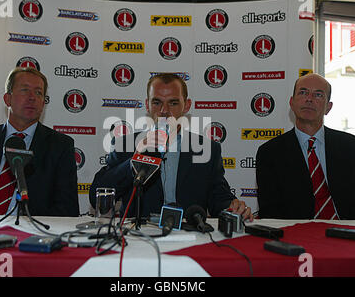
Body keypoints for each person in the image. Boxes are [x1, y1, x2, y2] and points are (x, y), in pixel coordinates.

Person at [90, 73, 253, 221]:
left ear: (186, 106)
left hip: (190, 235)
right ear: (147, 105)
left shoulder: (207, 149)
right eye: (157, 102)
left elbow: (220, 199)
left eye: (173, 103)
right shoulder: (125, 144)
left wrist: (233, 207)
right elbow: (96, 196)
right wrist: (136, 159)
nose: (164, 111)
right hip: (140, 235)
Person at [0, 67, 79, 217]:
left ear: (43, 103)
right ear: (7, 99)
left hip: (31, 232)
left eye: (39, 93)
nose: (32, 97)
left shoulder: (60, 146)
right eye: (25, 90)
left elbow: (67, 208)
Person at [256, 73, 355, 220]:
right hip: (297, 236)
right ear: (292, 102)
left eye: (318, 95)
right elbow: (270, 213)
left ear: (328, 107)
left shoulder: (353, 147)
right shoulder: (270, 153)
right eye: (303, 93)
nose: (309, 99)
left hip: (347, 234)